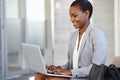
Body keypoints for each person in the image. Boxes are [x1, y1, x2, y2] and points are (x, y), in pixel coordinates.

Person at [35, 0, 107, 80]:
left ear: (86, 14)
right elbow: (70, 64)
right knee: (40, 75)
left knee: (51, 79)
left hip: (87, 77)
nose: (72, 19)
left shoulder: (97, 35)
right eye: (70, 16)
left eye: (75, 16)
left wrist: (70, 72)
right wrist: (58, 68)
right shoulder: (73, 35)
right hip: (74, 76)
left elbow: (96, 68)